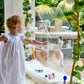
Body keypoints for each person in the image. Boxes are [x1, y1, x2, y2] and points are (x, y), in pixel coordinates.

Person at [0, 15, 48, 84]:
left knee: (17, 71)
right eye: (22, 25)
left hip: (18, 60)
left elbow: (31, 41)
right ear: (16, 27)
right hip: (8, 60)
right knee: (7, 72)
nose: (23, 27)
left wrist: (41, 43)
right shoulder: (6, 37)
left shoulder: (20, 37)